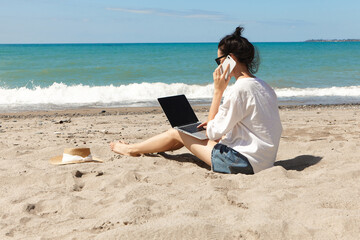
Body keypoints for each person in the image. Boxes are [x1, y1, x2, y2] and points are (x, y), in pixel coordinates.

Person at [110, 26, 282, 174]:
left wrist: (218, 91)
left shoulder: (240, 89)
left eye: (219, 61)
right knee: (185, 135)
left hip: (242, 163)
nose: (218, 66)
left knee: (177, 131)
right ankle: (143, 147)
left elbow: (213, 133)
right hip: (264, 162)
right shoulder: (264, 86)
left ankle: (130, 149)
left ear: (231, 59)